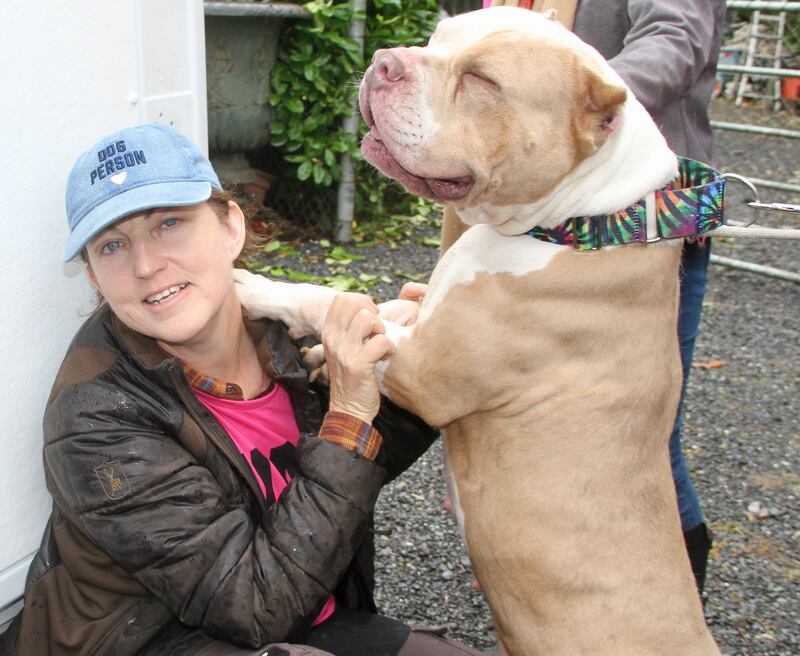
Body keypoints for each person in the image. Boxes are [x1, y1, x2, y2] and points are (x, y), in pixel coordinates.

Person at [1, 123, 484, 656]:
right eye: (112, 245)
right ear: (94, 276)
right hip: (154, 638)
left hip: (302, 608)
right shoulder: (95, 419)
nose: (145, 266)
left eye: (168, 224)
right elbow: (253, 605)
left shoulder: (274, 331)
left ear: (232, 227)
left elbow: (366, 457)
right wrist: (347, 411)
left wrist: (405, 355)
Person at [572, 0, 725, 595]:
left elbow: (676, 37)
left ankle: (674, 605)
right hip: (562, 213)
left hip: (643, 219)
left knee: (644, 431)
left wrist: (571, 102)